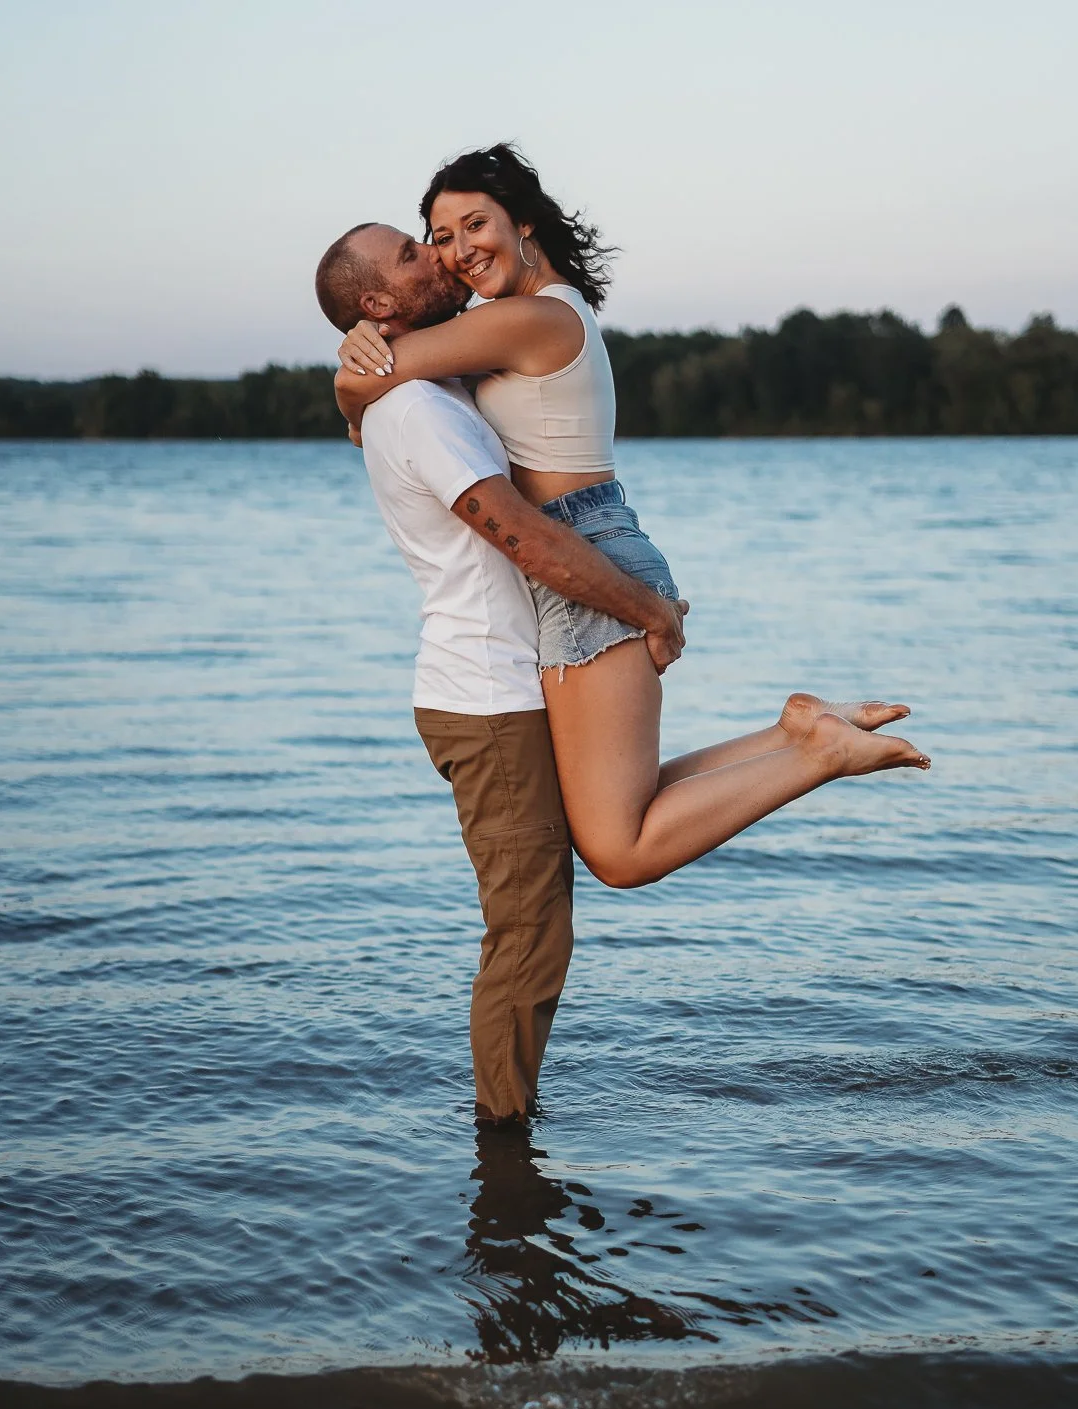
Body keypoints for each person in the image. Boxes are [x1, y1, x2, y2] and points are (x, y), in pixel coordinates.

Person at [333, 144, 930, 894]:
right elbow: (375, 392)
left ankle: (818, 755)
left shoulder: (534, 317)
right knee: (622, 809)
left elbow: (371, 385)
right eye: (440, 236)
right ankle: (797, 735)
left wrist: (354, 358)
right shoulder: (528, 314)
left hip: (583, 552)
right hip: (586, 544)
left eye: (473, 225)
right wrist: (361, 367)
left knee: (621, 852)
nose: (457, 252)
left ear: (522, 222)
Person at [315, 222, 688, 1126]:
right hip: (487, 699)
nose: (436, 257)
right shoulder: (418, 411)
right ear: (377, 304)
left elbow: (362, 401)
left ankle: (509, 1137)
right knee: (528, 932)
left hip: (502, 688)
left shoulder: (423, 389)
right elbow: (523, 536)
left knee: (591, 858)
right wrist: (648, 610)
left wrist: (351, 375)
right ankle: (503, 1145)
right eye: (413, 253)